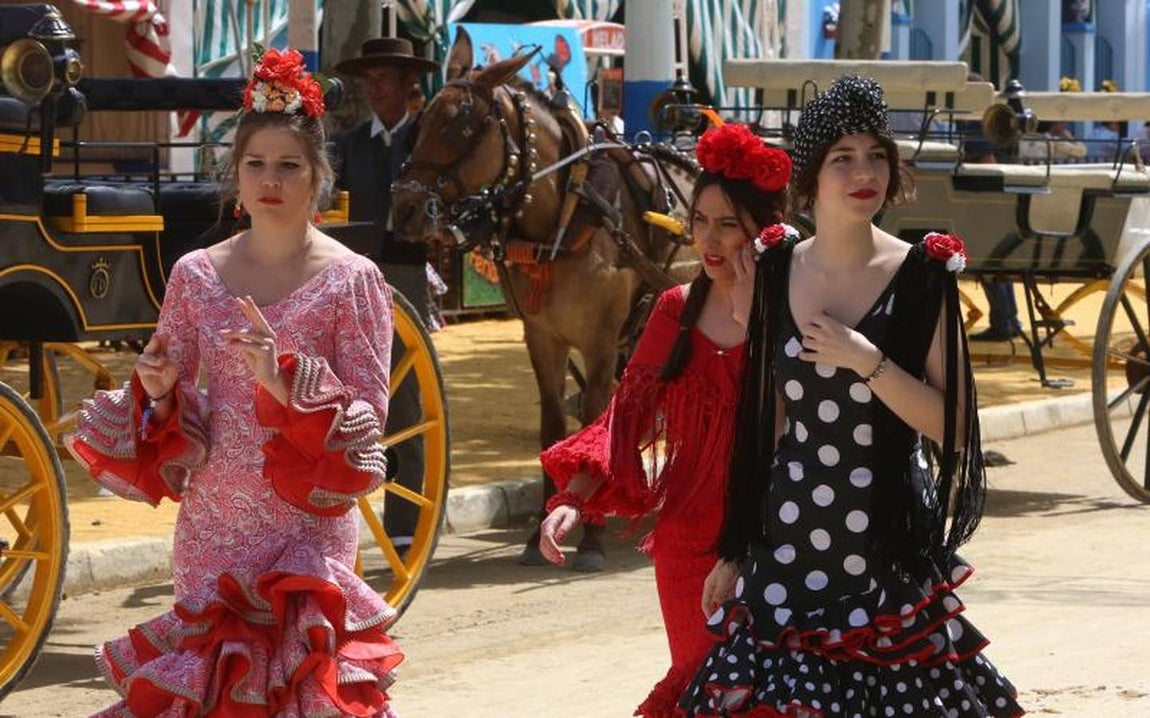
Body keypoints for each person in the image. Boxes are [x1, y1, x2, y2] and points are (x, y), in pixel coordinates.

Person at [65, 49, 404, 716]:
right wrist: (158, 389)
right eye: (256, 165)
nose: (270, 180)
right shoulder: (195, 273)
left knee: (300, 684)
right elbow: (176, 409)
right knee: (214, 688)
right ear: (236, 177)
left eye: (288, 166)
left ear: (317, 177)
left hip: (306, 531)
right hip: (213, 527)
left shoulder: (354, 280)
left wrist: (284, 384)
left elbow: (369, 418)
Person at [678, 75, 1023, 717]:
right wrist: (733, 552)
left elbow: (954, 426)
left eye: (876, 156)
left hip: (886, 543)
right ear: (811, 178)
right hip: (788, 540)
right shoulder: (774, 267)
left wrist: (868, 361)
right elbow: (765, 425)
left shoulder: (923, 275)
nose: (865, 172)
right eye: (843, 158)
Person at [536, 122, 793, 717]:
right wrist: (573, 498)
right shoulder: (676, 311)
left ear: (763, 227)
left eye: (728, 224)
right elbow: (625, 418)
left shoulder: (798, 307)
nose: (709, 239)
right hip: (689, 541)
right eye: (700, 221)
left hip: (786, 535)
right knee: (702, 685)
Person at [333, 37, 440, 556]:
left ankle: (405, 520)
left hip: (405, 274)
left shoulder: (426, 141)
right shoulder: (350, 143)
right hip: (353, 274)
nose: (376, 89)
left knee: (406, 400)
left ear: (406, 85)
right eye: (369, 80)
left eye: (385, 80)